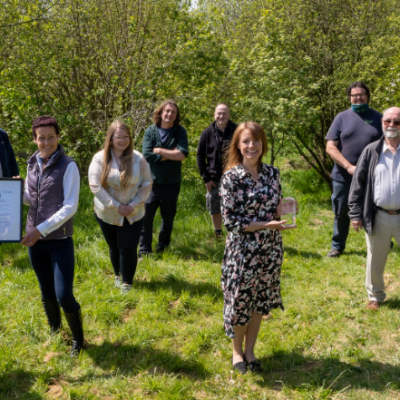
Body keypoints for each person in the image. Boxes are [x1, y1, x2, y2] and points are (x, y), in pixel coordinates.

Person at [220, 122, 296, 374]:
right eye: (246, 141)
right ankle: (236, 353)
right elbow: (230, 222)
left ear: (263, 144)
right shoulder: (231, 178)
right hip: (243, 252)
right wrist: (266, 223)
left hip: (270, 248)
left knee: (259, 301)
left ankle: (250, 351)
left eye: (256, 141)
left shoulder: (272, 173)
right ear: (238, 146)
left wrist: (283, 214)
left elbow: (275, 204)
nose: (251, 146)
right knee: (240, 302)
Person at [21, 115, 84, 356]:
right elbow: (31, 199)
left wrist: (40, 229)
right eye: (41, 138)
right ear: (35, 139)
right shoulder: (32, 164)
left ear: (58, 137)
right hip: (34, 241)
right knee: (45, 290)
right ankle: (55, 330)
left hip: (59, 241)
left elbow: (70, 207)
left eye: (51, 137)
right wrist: (17, 191)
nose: (46, 142)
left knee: (63, 295)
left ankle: (78, 340)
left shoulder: (69, 166)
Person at [88, 121, 152, 291]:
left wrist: (133, 205)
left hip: (134, 211)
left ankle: (127, 283)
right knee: (114, 245)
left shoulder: (138, 158)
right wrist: (116, 206)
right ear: (111, 138)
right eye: (119, 137)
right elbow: (95, 186)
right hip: (108, 212)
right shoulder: (99, 158)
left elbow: (147, 183)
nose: (123, 140)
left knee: (128, 246)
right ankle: (118, 275)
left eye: (126, 137)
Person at [349, 107, 400, 311]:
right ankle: (375, 296)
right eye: (388, 121)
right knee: (374, 260)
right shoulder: (371, 151)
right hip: (378, 214)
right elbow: (358, 183)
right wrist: (355, 213)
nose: (392, 125)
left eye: (397, 122)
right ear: (381, 123)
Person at [326, 82, 383, 257]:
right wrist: (349, 167)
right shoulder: (341, 118)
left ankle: (381, 243)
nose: (358, 98)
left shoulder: (379, 118)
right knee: (341, 211)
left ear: (368, 96)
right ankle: (337, 246)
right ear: (350, 97)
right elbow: (330, 147)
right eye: (354, 95)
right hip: (344, 175)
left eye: (361, 94)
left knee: (377, 209)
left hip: (372, 175)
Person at [139, 100, 189, 256]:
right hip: (151, 182)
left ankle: (162, 248)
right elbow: (147, 154)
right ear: (160, 113)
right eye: (167, 111)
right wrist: (170, 154)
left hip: (172, 183)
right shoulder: (150, 131)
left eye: (173, 112)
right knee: (146, 217)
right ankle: (144, 250)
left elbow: (182, 154)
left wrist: (159, 150)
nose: (169, 114)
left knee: (168, 218)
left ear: (176, 116)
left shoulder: (180, 132)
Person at [196, 104, 237, 238]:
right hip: (214, 179)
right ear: (214, 115)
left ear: (229, 115)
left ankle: (235, 232)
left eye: (224, 113)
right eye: (219, 113)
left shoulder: (237, 130)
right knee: (215, 206)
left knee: (235, 204)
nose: (221, 116)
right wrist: (206, 178)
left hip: (235, 176)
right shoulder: (207, 133)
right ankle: (218, 233)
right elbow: (200, 156)